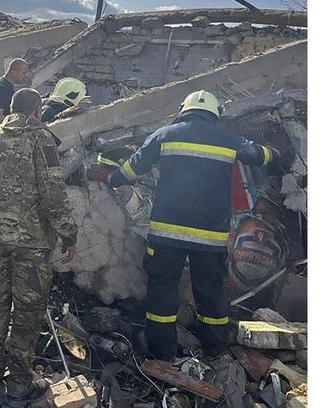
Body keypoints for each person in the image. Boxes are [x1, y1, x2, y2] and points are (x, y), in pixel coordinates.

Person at [87, 90, 279, 361]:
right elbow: (259, 155)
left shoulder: (165, 134)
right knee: (210, 290)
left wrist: (111, 177)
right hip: (210, 237)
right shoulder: (226, 138)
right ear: (214, 113)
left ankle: (161, 351)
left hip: (166, 234)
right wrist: (274, 152)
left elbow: (132, 170)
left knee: (162, 288)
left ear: (183, 109)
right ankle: (214, 350)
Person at [0, 88, 78, 400]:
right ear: (36, 110)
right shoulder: (41, 138)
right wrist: (68, 232)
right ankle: (18, 380)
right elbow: (52, 191)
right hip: (30, 243)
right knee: (27, 310)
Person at [0, 58, 28, 134]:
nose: (25, 76)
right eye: (23, 73)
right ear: (14, 72)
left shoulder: (7, 87)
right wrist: (18, 126)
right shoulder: (1, 89)